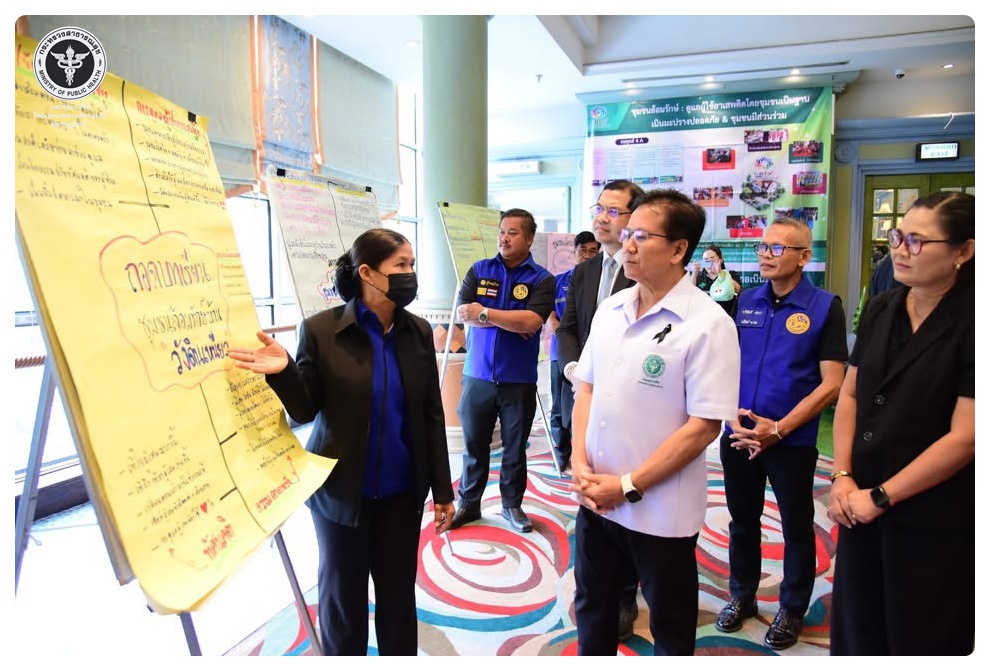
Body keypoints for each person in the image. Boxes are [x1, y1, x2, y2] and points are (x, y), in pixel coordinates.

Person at [227, 228, 455, 656]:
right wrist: (283, 371)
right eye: (401, 265)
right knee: (342, 602)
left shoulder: (419, 332)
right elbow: (306, 409)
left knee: (397, 600)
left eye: (411, 264)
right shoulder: (321, 331)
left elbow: (431, 414)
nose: (410, 273)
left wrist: (442, 489)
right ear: (367, 272)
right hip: (340, 495)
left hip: (401, 494)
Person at [569, 188, 741, 655]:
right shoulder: (611, 309)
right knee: (593, 608)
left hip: (660, 507)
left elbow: (703, 426)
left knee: (669, 622)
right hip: (596, 496)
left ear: (679, 248)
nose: (626, 245)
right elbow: (586, 388)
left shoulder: (708, 324)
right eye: (627, 234)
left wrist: (628, 484)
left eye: (641, 237)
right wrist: (579, 460)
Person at [827, 192, 975, 655]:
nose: (899, 250)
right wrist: (842, 474)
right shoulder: (883, 306)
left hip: (931, 510)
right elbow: (850, 393)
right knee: (859, 625)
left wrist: (883, 496)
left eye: (917, 241)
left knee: (919, 633)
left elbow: (967, 436)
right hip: (859, 498)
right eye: (897, 237)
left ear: (963, 251)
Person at [715, 217, 848, 650]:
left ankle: (792, 606)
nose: (766, 255)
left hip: (791, 440)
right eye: (763, 247)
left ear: (804, 257)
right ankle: (743, 595)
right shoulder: (746, 300)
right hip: (740, 433)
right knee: (742, 520)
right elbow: (726, 363)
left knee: (795, 526)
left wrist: (780, 428)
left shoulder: (824, 307)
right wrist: (729, 418)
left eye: (777, 248)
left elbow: (832, 383)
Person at [556, 179, 645, 639]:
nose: (601, 217)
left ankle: (627, 592)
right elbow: (568, 328)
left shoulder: (643, 269)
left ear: (635, 218)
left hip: (630, 400)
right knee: (589, 485)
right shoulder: (585, 270)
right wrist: (576, 369)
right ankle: (598, 584)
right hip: (584, 394)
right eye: (599, 207)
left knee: (626, 491)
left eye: (613, 210)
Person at [448, 208, 555, 534]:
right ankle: (469, 503)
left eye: (513, 232)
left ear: (529, 238)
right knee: (474, 446)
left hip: (518, 379)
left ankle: (512, 505)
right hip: (477, 375)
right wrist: (509, 320)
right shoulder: (479, 270)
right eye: (502, 231)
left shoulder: (542, 279)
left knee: (514, 448)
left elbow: (531, 322)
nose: (504, 238)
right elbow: (464, 313)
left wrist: (485, 313)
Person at [546, 230, 600, 473]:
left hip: (593, 355)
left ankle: (586, 453)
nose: (587, 255)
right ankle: (561, 453)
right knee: (559, 407)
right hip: (561, 354)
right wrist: (567, 339)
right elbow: (551, 316)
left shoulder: (602, 282)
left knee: (589, 403)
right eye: (583, 251)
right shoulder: (558, 281)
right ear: (575, 252)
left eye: (592, 251)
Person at [691, 243, 742, 316]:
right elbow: (689, 293)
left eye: (712, 259)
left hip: (726, 317)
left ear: (721, 259)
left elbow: (738, 290)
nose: (709, 263)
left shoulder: (731, 274)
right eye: (706, 260)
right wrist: (694, 273)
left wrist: (721, 273)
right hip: (704, 317)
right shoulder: (698, 277)